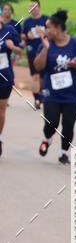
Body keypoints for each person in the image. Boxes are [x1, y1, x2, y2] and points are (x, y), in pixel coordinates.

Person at [34, 9, 76, 164]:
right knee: (51, 123)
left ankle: (63, 153)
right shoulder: (46, 44)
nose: (46, 31)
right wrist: (45, 49)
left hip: (72, 93)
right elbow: (38, 66)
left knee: (68, 124)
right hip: (51, 93)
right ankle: (47, 138)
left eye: (48, 27)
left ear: (58, 28)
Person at [0, 18, 24, 156]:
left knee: (1, 110)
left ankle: (0, 138)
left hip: (4, 78)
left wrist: (13, 48)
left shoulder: (9, 31)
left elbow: (20, 51)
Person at [22, 0, 49, 109]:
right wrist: (27, 36)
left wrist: (42, 33)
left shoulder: (46, 19)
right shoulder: (28, 22)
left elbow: (52, 33)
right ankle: (37, 99)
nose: (32, 9)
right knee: (35, 76)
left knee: (43, 76)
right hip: (32, 51)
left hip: (44, 50)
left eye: (34, 6)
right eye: (30, 7)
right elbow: (23, 36)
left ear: (39, 7)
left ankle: (42, 95)